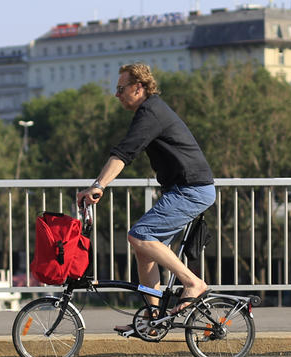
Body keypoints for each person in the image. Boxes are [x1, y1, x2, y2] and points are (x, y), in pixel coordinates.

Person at [76, 63, 216, 328]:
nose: (116, 94)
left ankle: (193, 282)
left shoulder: (151, 112)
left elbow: (125, 153)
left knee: (138, 235)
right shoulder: (150, 111)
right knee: (144, 251)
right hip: (183, 189)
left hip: (192, 189)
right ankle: (154, 318)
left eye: (120, 88)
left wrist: (99, 185)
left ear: (138, 87)